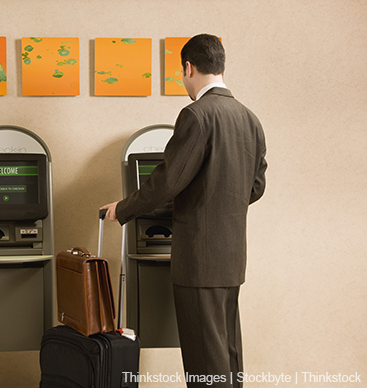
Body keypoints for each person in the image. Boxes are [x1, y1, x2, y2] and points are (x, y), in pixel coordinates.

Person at [101, 33, 267, 387]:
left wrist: (124, 208)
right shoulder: (249, 118)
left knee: (205, 361)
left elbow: (167, 181)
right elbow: (255, 186)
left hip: (198, 259)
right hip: (232, 257)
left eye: (182, 73)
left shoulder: (196, 114)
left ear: (189, 67)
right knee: (227, 352)